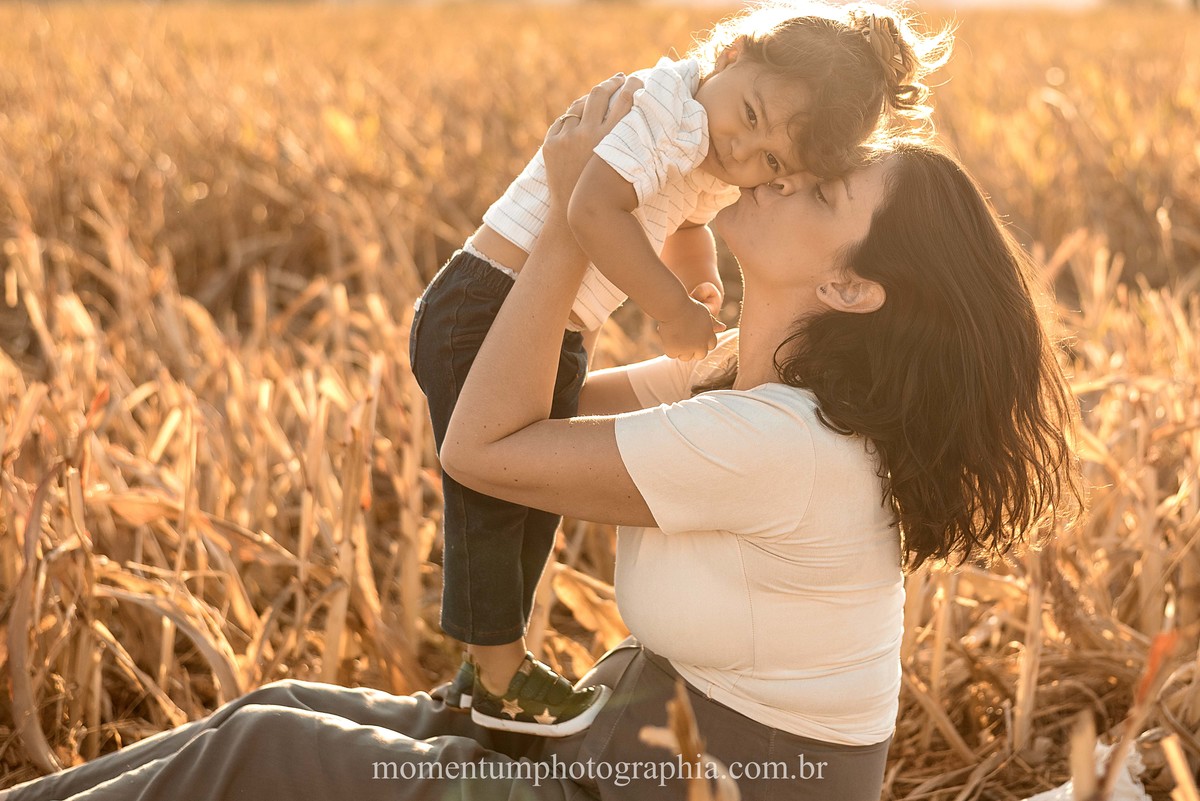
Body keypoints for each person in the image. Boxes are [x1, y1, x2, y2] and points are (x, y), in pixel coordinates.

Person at [2, 74, 1080, 801]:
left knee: (260, 752)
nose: (782, 171)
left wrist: (576, 219)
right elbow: (512, 402)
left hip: (675, 784)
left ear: (849, 284)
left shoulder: (779, 445)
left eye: (824, 186)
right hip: (633, 744)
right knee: (278, 706)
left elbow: (483, 449)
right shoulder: (732, 384)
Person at [410, 0, 949, 737]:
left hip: (547, 320)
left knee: (528, 495)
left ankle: (492, 671)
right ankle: (498, 673)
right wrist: (669, 310)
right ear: (729, 55)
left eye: (775, 164)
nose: (748, 155)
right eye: (752, 115)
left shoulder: (711, 148)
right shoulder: (672, 115)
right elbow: (592, 208)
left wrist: (699, 283)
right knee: (499, 504)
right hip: (490, 304)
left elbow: (690, 220)